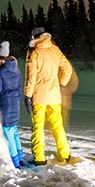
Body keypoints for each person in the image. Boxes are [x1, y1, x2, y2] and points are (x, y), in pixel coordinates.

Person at [24, 27, 74, 166]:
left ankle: (39, 158)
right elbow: (68, 69)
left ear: (34, 37)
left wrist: (27, 95)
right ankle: (64, 155)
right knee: (58, 126)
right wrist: (60, 84)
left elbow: (31, 78)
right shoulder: (55, 50)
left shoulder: (34, 53)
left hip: (39, 96)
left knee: (38, 127)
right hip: (54, 96)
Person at [0, 40, 24, 168]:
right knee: (14, 131)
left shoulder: (0, 70)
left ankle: (16, 163)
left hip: (5, 105)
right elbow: (19, 87)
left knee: (8, 134)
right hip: (15, 103)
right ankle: (20, 158)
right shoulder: (15, 68)